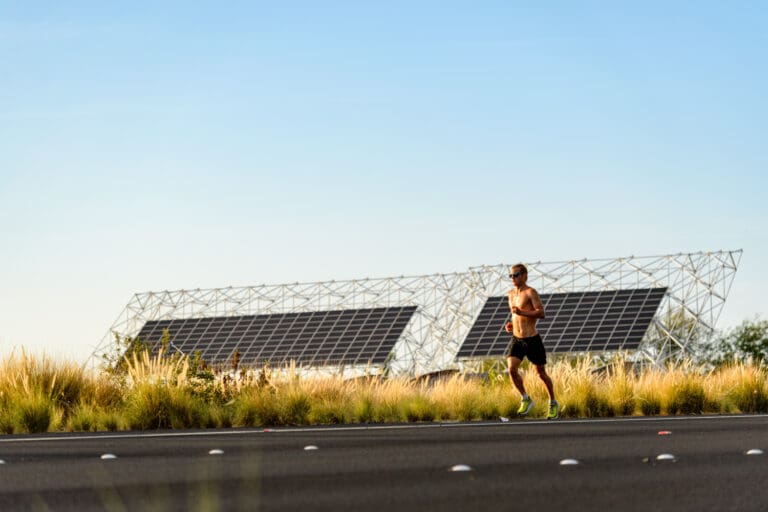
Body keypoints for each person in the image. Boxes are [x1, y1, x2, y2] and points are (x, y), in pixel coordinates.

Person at [504, 263, 559, 419]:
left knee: (540, 373)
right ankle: (525, 398)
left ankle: (553, 402)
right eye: (510, 275)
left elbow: (541, 313)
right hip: (517, 339)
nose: (512, 278)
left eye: (515, 275)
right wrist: (510, 324)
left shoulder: (530, 292)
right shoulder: (510, 294)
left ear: (524, 275)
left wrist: (521, 312)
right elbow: (515, 316)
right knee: (511, 369)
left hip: (532, 339)